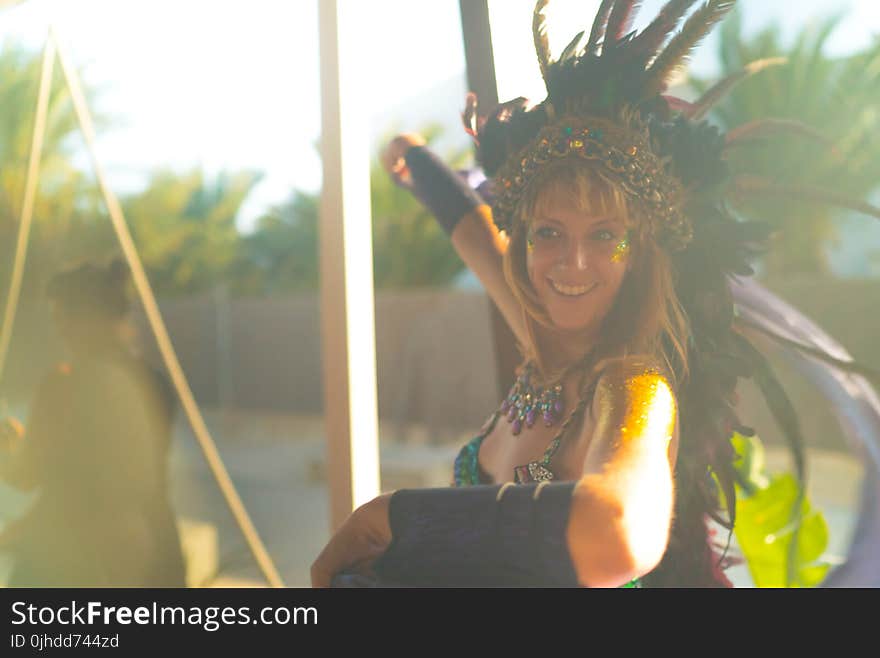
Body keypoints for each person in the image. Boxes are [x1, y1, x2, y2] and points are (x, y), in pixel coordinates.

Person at [312, 0, 880, 588]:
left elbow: (617, 533)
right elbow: (473, 232)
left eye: (604, 235)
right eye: (549, 232)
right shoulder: (543, 340)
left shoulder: (634, 387)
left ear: (637, 255)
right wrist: (415, 161)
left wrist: (396, 517)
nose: (573, 262)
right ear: (526, 241)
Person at [0, 259, 187, 587]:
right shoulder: (154, 383)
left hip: (80, 563)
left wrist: (8, 445)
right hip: (158, 556)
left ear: (83, 320)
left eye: (61, 318)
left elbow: (28, 474)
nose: (60, 330)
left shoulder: (66, 386)